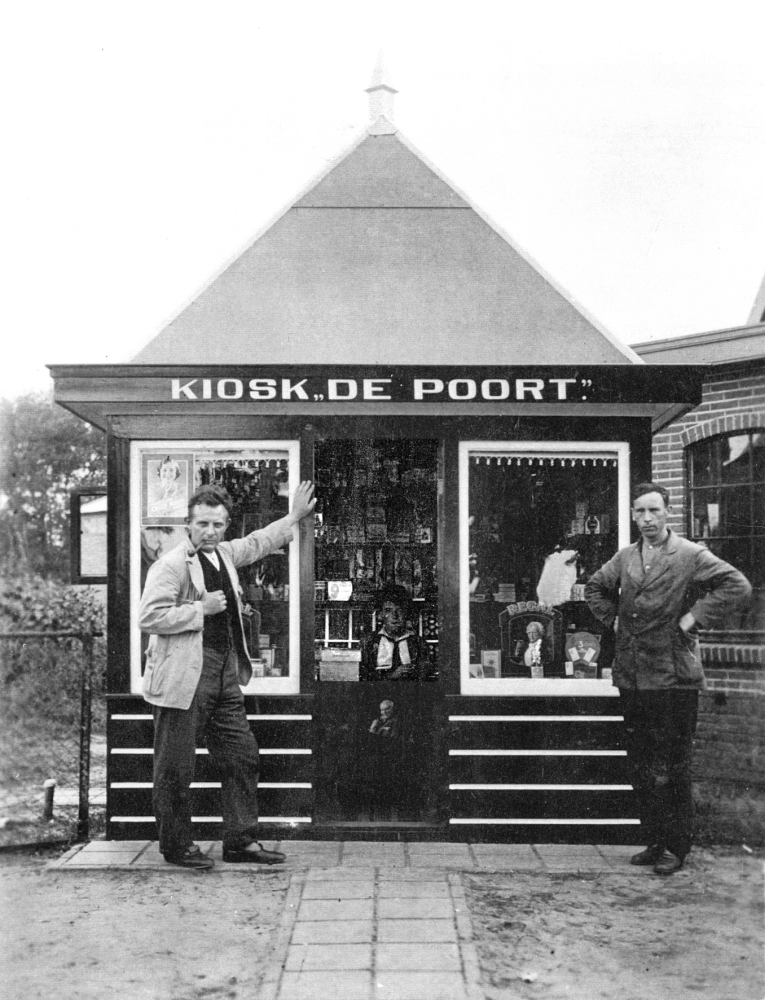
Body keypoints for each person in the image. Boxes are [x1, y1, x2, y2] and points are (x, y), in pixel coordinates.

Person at [139, 480, 315, 869]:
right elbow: (148, 616)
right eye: (202, 524)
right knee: (175, 768)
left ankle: (240, 842)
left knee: (241, 756)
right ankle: (176, 846)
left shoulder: (222, 555)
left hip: (224, 674)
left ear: (225, 526)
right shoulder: (170, 564)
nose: (210, 532)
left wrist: (294, 516)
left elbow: (258, 542)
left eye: (218, 526)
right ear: (188, 523)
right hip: (184, 676)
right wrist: (199, 609)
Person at [585, 482, 751, 876]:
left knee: (674, 766)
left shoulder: (690, 554)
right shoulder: (626, 557)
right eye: (639, 512)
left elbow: (737, 586)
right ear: (632, 515)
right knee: (642, 765)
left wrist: (694, 617)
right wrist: (614, 618)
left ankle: (677, 847)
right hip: (633, 677)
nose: (646, 519)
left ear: (668, 512)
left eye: (654, 511)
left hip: (674, 680)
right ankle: (655, 839)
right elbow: (594, 587)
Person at [360, 585, 430, 681]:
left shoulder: (418, 643)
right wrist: (391, 676)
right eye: (388, 610)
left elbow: (424, 678)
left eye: (400, 610)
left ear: (406, 613)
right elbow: (363, 677)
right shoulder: (369, 642)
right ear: (380, 615)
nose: (395, 616)